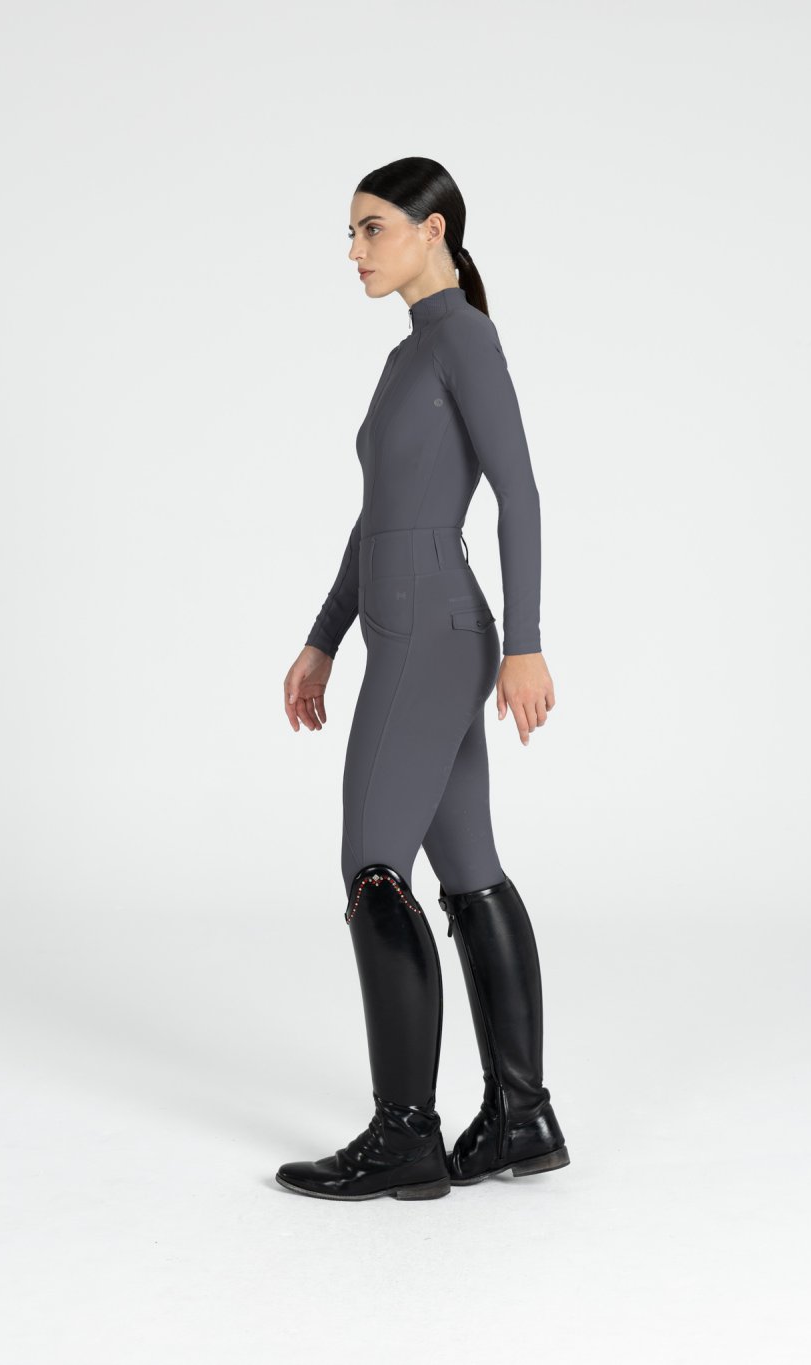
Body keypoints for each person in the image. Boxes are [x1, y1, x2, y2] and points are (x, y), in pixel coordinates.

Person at [276, 157, 569, 1201]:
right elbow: (380, 520)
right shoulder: (410, 355)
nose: (354, 251)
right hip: (411, 630)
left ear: (431, 230)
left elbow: (519, 494)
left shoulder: (464, 341)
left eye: (372, 229)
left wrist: (526, 642)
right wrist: (324, 636)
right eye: (351, 233)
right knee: (470, 866)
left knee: (371, 865)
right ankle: (521, 1119)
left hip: (435, 637)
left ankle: (404, 1136)